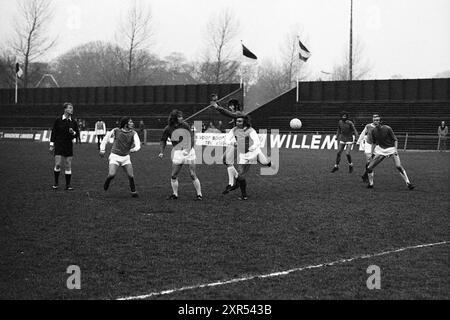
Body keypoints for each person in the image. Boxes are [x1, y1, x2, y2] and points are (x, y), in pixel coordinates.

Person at [210, 98, 272, 194]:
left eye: (231, 105)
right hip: (237, 141)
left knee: (226, 160)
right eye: (229, 106)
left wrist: (218, 107)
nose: (229, 107)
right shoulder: (236, 116)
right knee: (225, 160)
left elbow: (228, 114)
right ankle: (235, 181)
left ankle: (233, 182)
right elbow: (228, 116)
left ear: (235, 106)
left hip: (243, 143)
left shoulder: (238, 114)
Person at [159, 109, 203, 201]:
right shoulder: (168, 128)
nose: (181, 118)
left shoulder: (185, 125)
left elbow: (191, 138)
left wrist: (189, 149)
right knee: (174, 175)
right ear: (174, 118)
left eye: (181, 116)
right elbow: (163, 140)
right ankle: (175, 194)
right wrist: (161, 152)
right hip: (178, 153)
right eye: (179, 117)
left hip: (189, 151)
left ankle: (199, 194)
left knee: (192, 174)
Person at [362, 115, 414, 190]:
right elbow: (374, 143)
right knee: (369, 167)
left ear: (380, 121)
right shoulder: (373, 131)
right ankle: (371, 184)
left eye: (377, 120)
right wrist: (371, 153)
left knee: (398, 166)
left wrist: (395, 149)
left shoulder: (387, 128)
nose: (375, 122)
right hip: (380, 150)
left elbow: (395, 140)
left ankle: (408, 183)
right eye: (374, 120)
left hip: (391, 149)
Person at [223, 112, 262, 200]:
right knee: (240, 175)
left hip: (250, 154)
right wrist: (233, 143)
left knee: (241, 175)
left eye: (240, 121)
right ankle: (243, 194)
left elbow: (257, 141)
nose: (238, 123)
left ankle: (238, 186)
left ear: (244, 122)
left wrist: (252, 147)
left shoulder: (250, 130)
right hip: (242, 154)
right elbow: (226, 139)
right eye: (237, 121)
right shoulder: (234, 130)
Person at [100, 117, 141, 198]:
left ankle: (133, 191)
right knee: (112, 174)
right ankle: (107, 181)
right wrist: (102, 149)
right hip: (115, 156)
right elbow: (106, 138)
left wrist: (135, 149)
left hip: (125, 157)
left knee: (131, 176)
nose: (132, 123)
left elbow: (138, 144)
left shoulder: (133, 133)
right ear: (126, 124)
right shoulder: (116, 130)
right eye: (130, 122)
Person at [49, 102, 79, 191]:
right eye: (70, 108)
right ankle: (56, 183)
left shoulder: (73, 122)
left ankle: (68, 185)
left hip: (68, 145)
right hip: (58, 144)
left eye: (72, 108)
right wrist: (51, 145)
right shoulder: (58, 120)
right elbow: (53, 133)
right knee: (57, 164)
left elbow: (77, 134)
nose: (71, 109)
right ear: (65, 109)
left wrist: (73, 132)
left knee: (68, 165)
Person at [357, 115, 378, 182]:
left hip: (376, 146)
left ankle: (365, 175)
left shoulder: (380, 127)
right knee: (369, 160)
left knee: (372, 162)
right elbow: (363, 133)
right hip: (368, 144)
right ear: (372, 119)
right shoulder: (368, 126)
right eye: (374, 119)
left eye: (377, 119)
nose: (376, 120)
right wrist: (358, 141)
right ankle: (368, 178)